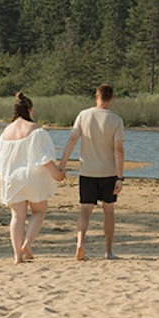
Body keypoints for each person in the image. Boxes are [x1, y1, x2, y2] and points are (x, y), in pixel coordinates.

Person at [0, 92, 65, 265]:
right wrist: (56, 173)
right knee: (39, 211)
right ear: (30, 110)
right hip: (32, 177)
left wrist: (5, 176)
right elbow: (43, 157)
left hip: (12, 177)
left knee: (17, 217)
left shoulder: (6, 132)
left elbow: (0, 161)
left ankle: (17, 257)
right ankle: (27, 245)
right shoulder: (35, 129)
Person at [57, 83, 125, 261]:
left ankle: (80, 243)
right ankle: (108, 251)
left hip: (87, 170)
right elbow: (118, 150)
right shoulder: (116, 120)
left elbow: (72, 139)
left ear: (97, 96)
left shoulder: (83, 115)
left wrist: (62, 165)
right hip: (108, 172)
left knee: (85, 209)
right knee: (108, 210)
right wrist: (120, 177)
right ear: (111, 98)